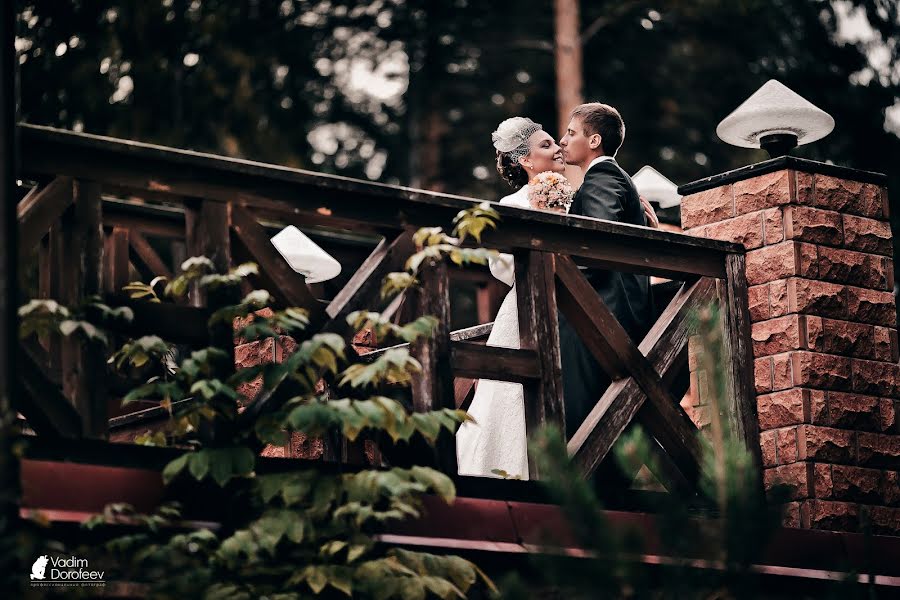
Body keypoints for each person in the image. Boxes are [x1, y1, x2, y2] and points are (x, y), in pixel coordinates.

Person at [456, 116, 568, 479]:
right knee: (510, 394)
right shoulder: (511, 203)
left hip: (574, 306)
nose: (559, 148)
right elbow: (501, 266)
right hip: (525, 307)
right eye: (547, 144)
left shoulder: (577, 197)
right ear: (526, 161)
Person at [557, 102, 654, 436]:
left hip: (598, 314)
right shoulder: (613, 178)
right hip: (610, 313)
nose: (563, 141)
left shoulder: (602, 175)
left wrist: (564, 285)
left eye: (571, 133)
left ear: (594, 140)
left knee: (585, 419)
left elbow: (596, 239)